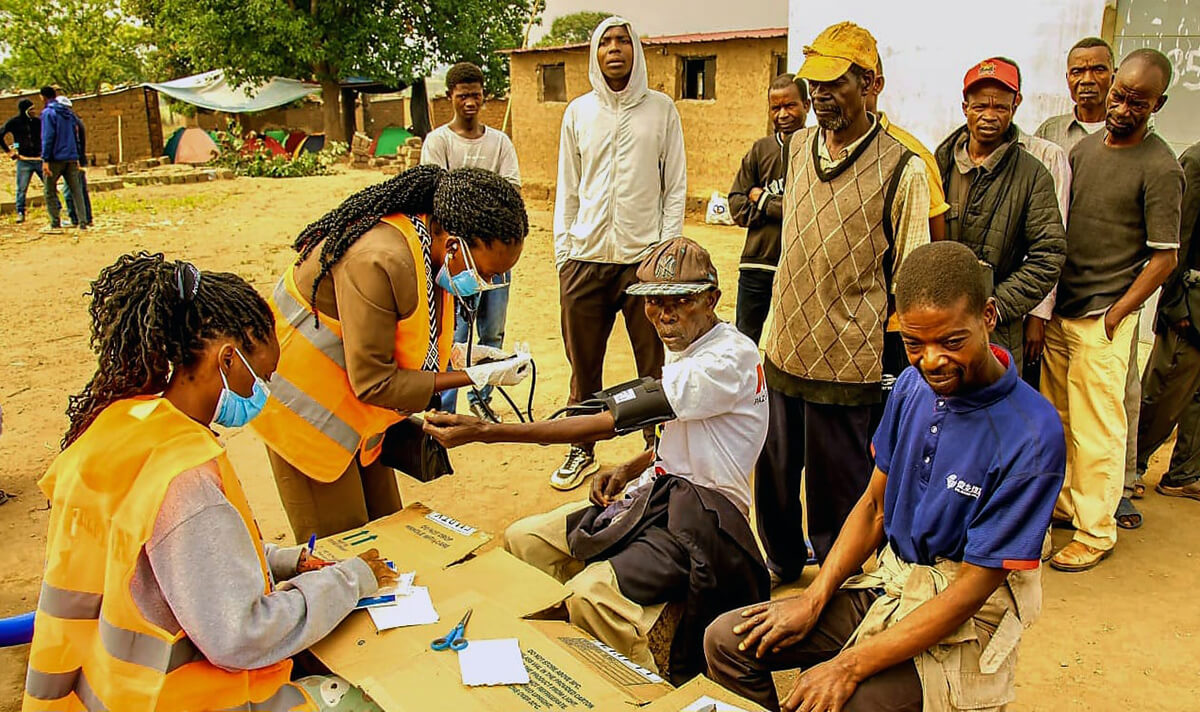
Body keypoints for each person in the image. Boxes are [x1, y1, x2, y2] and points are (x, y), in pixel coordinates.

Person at [23, 253, 397, 712]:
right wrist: (352, 579)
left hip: (95, 689)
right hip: (179, 697)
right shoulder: (186, 478)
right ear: (227, 360)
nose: (265, 391)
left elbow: (161, 559)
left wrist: (282, 561)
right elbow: (241, 635)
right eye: (264, 377)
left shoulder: (119, 426)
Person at [705, 241, 1065, 712]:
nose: (932, 360)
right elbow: (874, 506)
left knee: (851, 702)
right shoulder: (912, 388)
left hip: (965, 614)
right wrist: (814, 598)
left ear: (989, 316)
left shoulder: (1032, 434)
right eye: (915, 343)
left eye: (952, 341)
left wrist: (849, 664)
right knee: (727, 642)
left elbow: (973, 589)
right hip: (894, 581)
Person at [425, 238, 769, 680]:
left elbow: (611, 420)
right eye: (653, 303)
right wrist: (633, 466)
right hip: (659, 496)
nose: (665, 315)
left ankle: (645, 697)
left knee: (592, 594)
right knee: (523, 540)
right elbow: (695, 429)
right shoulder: (689, 344)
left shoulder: (727, 357)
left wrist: (488, 431)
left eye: (680, 302)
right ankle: (552, 665)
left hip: (704, 520)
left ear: (711, 300)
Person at [250, 166, 531, 542]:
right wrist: (475, 377)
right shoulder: (379, 259)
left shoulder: (427, 247)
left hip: (358, 417)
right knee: (346, 553)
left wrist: (467, 357)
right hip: (309, 420)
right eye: (486, 272)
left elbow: (407, 338)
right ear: (453, 244)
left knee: (388, 534)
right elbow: (375, 380)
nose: (489, 283)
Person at [757, 21, 932, 581]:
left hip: (846, 361)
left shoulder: (904, 168)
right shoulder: (800, 147)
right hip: (783, 344)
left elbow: (911, 274)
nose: (819, 96)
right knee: (775, 477)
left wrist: (910, 366)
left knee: (839, 488)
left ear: (872, 84)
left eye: (835, 83)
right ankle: (783, 566)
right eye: (814, 84)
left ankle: (838, 584)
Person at [1042, 49, 1183, 571]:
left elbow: (1164, 258)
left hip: (1104, 316)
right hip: (1064, 309)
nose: (1122, 108)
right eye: (1120, 96)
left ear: (1158, 104)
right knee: (1057, 420)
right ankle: (1067, 508)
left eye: (1137, 102)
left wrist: (1117, 315)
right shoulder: (1084, 152)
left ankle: (1096, 533)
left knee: (1098, 428)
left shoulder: (1161, 166)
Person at [552, 16, 686, 491]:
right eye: (605, 41)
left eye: (623, 41)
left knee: (652, 367)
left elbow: (675, 187)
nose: (614, 49)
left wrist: (664, 255)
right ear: (594, 53)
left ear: (636, 51)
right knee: (582, 366)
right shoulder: (578, 113)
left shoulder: (661, 110)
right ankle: (580, 446)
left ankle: (658, 449)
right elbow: (567, 189)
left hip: (642, 263)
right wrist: (564, 254)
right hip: (585, 260)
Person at [1037, 37, 1146, 514]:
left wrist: (1123, 307)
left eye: (1098, 71)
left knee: (1116, 397)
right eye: (1077, 71)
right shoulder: (1051, 133)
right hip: (1062, 284)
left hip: (1112, 293)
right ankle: (1067, 496)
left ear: (1114, 74)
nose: (1087, 80)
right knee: (1061, 401)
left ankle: (1119, 488)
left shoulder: (1137, 142)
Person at [934, 57, 1066, 371]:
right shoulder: (937, 163)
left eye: (1000, 107)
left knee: (992, 413)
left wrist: (996, 305)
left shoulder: (1032, 175)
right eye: (980, 107)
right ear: (965, 106)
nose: (989, 116)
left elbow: (1049, 256)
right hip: (938, 325)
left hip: (997, 333)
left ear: (1015, 106)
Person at [422, 61, 521, 423]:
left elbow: (511, 192)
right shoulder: (439, 142)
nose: (469, 102)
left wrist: (476, 209)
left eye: (475, 95)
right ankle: (444, 409)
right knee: (455, 335)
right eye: (462, 95)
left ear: (484, 97)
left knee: (492, 330)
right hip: (456, 258)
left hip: (494, 257)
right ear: (450, 97)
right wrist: (480, 206)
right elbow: (435, 195)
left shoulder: (500, 143)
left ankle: (482, 398)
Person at [1135, 141, 1200, 505]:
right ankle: (1134, 466)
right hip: (1189, 303)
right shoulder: (1196, 161)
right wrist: (1175, 306)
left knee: (1195, 394)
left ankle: (1185, 473)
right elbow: (1179, 238)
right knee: (1165, 393)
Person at [728, 73, 810, 345]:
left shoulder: (818, 149)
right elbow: (737, 204)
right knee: (744, 342)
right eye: (776, 108)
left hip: (802, 266)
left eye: (790, 105)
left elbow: (808, 211)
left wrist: (762, 200)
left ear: (807, 105)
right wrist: (779, 211)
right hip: (757, 263)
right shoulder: (760, 150)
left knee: (794, 342)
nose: (783, 114)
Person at [38, 86, 87, 234]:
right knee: (76, 190)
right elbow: (76, 135)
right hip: (71, 157)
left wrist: (45, 159)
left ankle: (55, 223)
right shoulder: (69, 114)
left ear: (43, 97)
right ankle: (83, 222)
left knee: (49, 190)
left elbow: (48, 137)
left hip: (55, 158)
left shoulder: (48, 113)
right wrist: (77, 156)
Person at [1, 99, 43, 224]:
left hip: (39, 159)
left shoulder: (37, 122)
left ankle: (57, 208)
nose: (34, 112)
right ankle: (20, 212)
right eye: (31, 110)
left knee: (50, 186)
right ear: (24, 111)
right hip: (24, 160)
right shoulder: (14, 123)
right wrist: (9, 151)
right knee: (21, 188)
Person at [56, 96, 93, 228]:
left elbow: (75, 143)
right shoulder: (77, 121)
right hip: (79, 160)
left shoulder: (71, 123)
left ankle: (75, 219)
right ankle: (87, 218)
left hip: (74, 160)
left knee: (70, 191)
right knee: (81, 190)